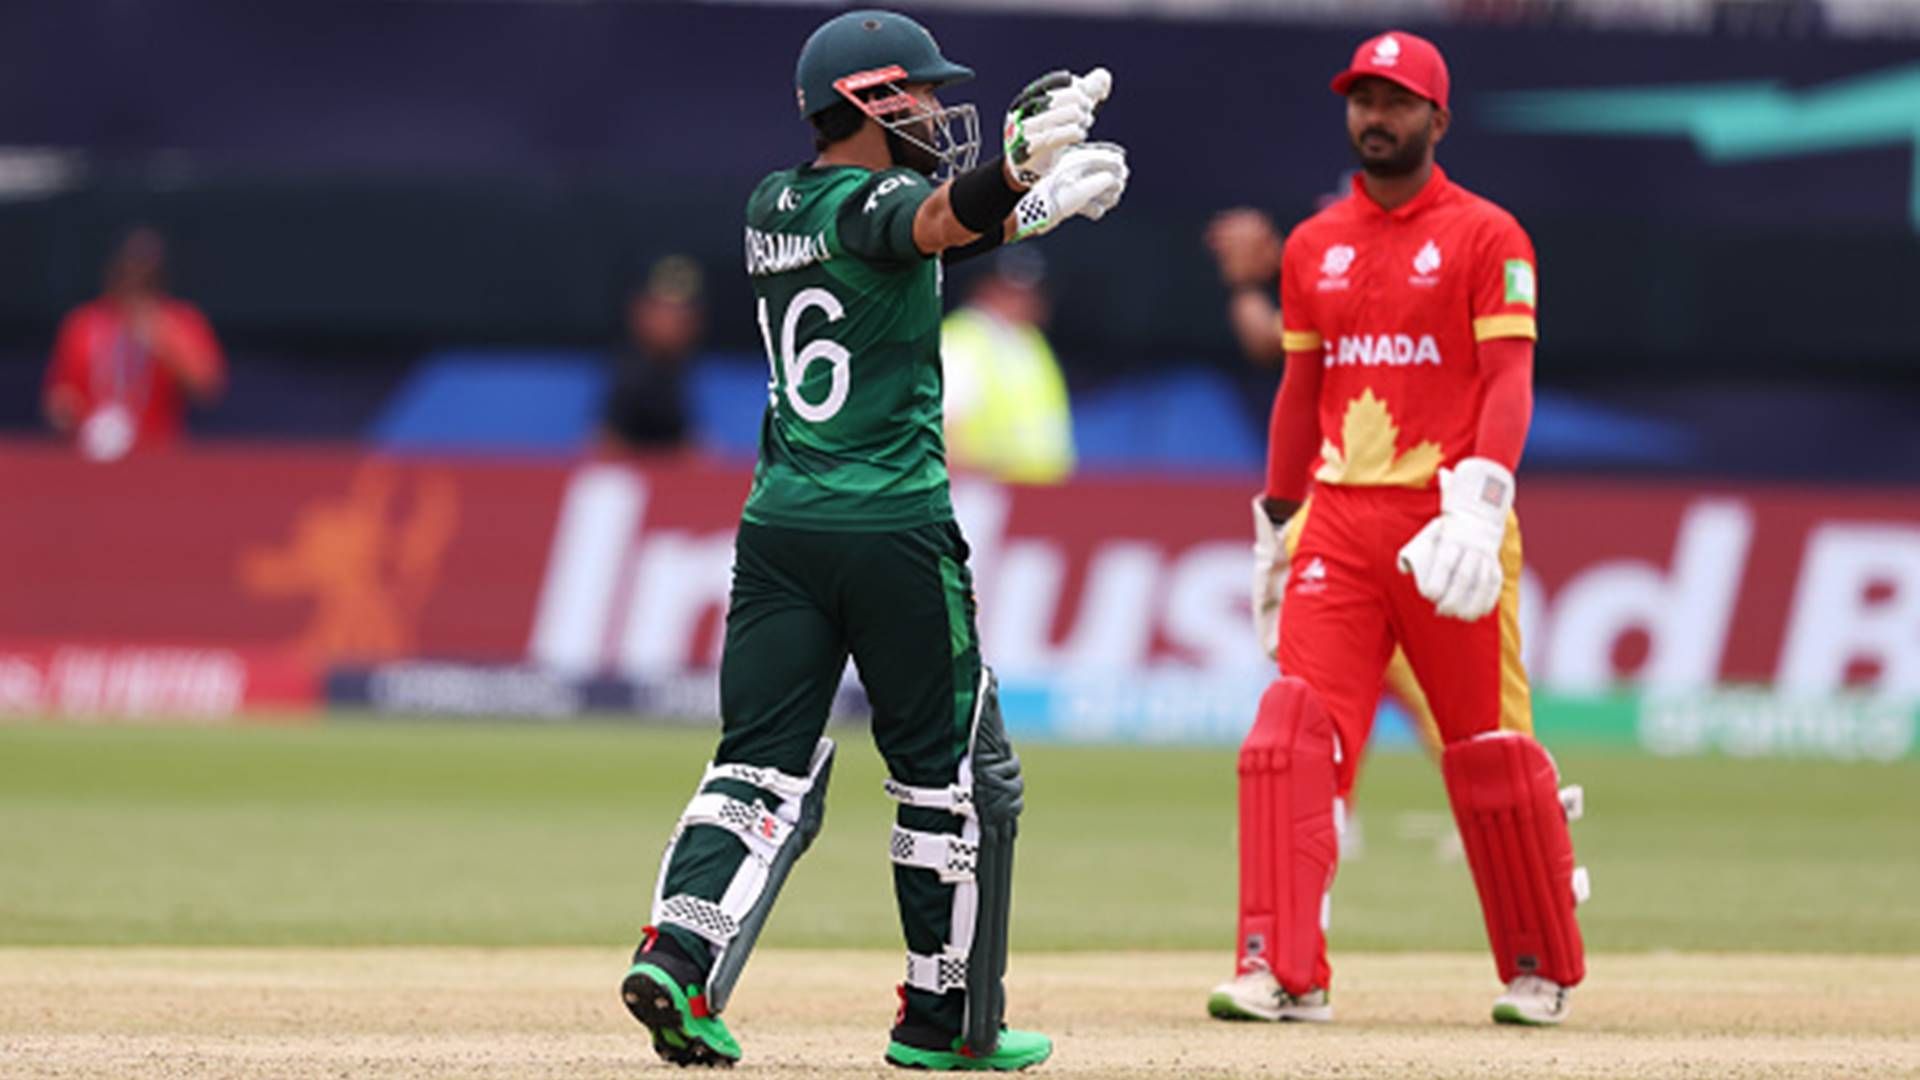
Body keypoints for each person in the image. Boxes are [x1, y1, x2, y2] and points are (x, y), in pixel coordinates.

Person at [617, 10, 1127, 1071]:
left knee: (757, 766)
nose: (940, 112)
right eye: (924, 94)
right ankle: (944, 1022)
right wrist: (1021, 178)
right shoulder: (887, 198)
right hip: (892, 525)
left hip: (780, 527)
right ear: (868, 102)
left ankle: (677, 954)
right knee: (950, 776)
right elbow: (929, 219)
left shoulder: (771, 202)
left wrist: (1027, 205)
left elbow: (918, 227)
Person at [1207, 30, 1588, 1028]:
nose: (1375, 118)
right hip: (1340, 523)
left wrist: (1483, 496)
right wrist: (1276, 524)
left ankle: (1539, 965)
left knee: (1489, 750)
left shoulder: (1488, 235)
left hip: (1450, 525)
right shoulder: (1314, 244)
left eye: (1396, 103)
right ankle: (1283, 967)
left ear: (1436, 118)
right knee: (1294, 733)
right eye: (1362, 102)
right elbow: (1301, 393)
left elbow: (1509, 380)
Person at [42, 227, 225, 461]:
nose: (134, 283)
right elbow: (59, 394)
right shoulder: (83, 323)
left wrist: (160, 339)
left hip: (158, 455)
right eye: (127, 274)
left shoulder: (180, 320)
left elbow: (207, 386)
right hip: (92, 452)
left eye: (145, 277)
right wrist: (65, 412)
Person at [941, 247, 1075, 483]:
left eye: (1031, 292)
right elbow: (941, 436)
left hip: (1039, 496)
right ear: (984, 287)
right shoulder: (962, 341)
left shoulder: (1030, 342)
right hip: (981, 498)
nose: (1023, 301)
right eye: (1011, 290)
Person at [601, 255, 706, 452]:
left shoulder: (681, 374)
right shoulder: (630, 376)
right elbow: (607, 447)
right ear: (640, 313)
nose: (676, 322)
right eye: (665, 311)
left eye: (684, 313)